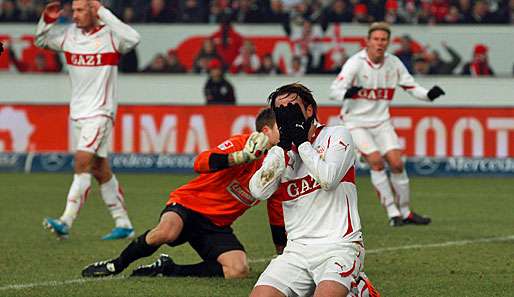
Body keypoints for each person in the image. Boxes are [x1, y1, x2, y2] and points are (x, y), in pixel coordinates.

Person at [81, 108, 286, 279]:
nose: (287, 130)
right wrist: (238, 158)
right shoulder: (243, 143)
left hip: (216, 225)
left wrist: (282, 252)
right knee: (166, 232)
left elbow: (276, 208)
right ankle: (115, 265)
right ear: (266, 130)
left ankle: (167, 269)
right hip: (189, 204)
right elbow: (200, 162)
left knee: (238, 270)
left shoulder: (278, 165)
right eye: (281, 126)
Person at [249, 83, 379, 297]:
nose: (287, 114)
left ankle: (359, 289)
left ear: (309, 110)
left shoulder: (336, 135)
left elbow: (328, 179)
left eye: (292, 107)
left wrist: (302, 144)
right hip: (296, 251)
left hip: (339, 246)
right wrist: (282, 149)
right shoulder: (281, 152)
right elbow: (258, 191)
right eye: (280, 111)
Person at [36, 0, 140, 239]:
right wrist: (47, 20)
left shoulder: (111, 37)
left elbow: (133, 38)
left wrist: (103, 11)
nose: (75, 15)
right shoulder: (70, 36)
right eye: (73, 10)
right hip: (78, 113)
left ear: (94, 10)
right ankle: (123, 224)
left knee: (82, 161)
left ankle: (66, 220)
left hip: (100, 113)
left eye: (81, 10)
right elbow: (41, 41)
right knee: (99, 168)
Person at [329, 22, 445, 227]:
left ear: (388, 42)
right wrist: (347, 92)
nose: (379, 43)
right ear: (368, 41)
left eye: (383, 39)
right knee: (376, 161)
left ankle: (406, 211)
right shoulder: (355, 63)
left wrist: (428, 95)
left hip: (382, 122)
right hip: (356, 122)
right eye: (376, 39)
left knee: (398, 164)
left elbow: (411, 85)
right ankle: (393, 213)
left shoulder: (394, 63)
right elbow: (334, 90)